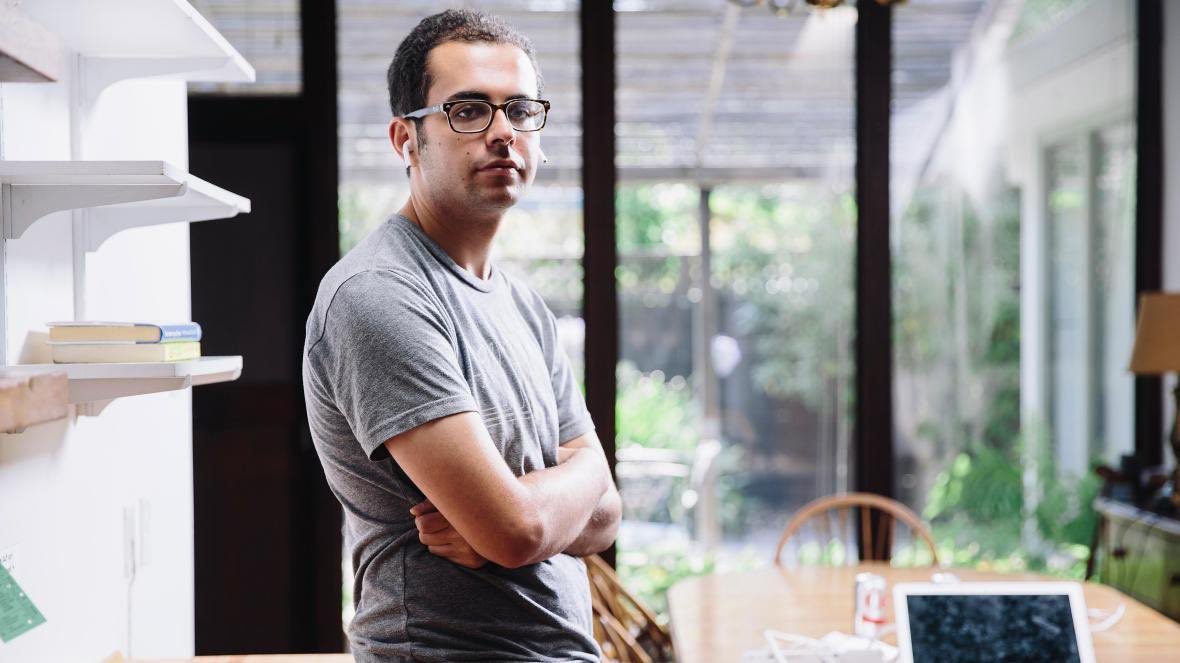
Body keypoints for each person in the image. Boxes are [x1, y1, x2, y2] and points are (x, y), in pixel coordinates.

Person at [302, 8, 620, 662]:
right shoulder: (378, 293)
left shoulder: (523, 305)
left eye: (520, 110)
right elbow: (517, 529)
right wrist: (568, 486)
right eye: (469, 110)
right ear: (405, 139)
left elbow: (606, 517)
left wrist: (547, 503)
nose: (503, 132)